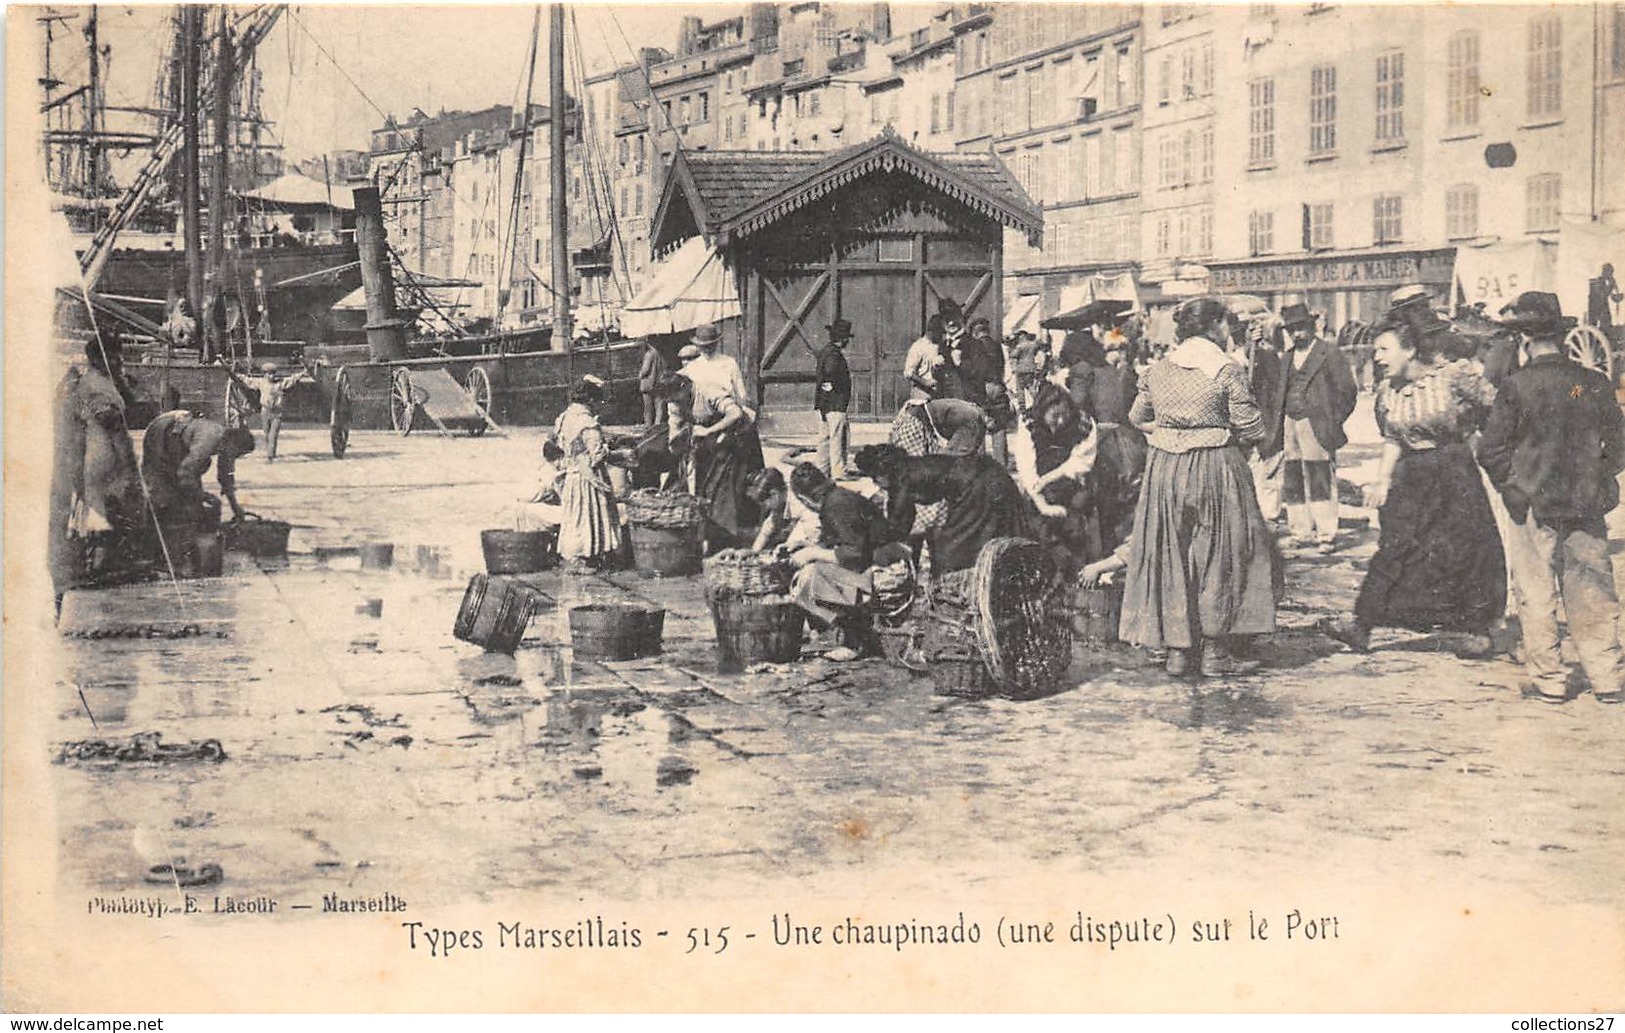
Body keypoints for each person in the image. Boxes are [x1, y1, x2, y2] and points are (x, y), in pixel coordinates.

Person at [1320, 313, 1505, 656]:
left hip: (1454, 471)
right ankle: (1361, 624)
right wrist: (1382, 479)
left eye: (1384, 349)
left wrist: (1487, 447)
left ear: (1410, 350)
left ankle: (1477, 631)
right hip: (1411, 474)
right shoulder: (1387, 392)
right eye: (1376, 350)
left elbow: (1498, 407)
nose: (1377, 357)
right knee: (1395, 546)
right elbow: (1392, 437)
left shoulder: (1453, 376)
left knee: (1466, 548)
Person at [1477, 292, 1625, 704]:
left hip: (1531, 505)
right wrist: (1594, 479)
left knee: (1536, 590)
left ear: (1524, 338)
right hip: (1585, 504)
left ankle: (1551, 680)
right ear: (1562, 336)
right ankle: (1607, 678)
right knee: (1593, 589)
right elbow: (1619, 444)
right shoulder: (1592, 383)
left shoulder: (1517, 386)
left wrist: (1513, 485)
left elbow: (1491, 450)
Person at [1120, 296, 1277, 678]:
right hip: (1216, 465)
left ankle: (1176, 651)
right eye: (1226, 324)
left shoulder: (1159, 368)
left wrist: (1173, 431)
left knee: (1170, 551)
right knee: (1220, 553)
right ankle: (1215, 652)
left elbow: (1137, 416)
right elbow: (1253, 429)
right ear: (1215, 326)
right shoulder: (1227, 369)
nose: (1230, 331)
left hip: (1164, 469)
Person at [49, 334, 144, 605]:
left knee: (99, 507)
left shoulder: (93, 382)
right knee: (106, 507)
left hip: (95, 453)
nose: (120, 361)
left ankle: (97, 561)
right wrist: (128, 465)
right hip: (104, 454)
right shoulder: (97, 386)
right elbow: (113, 426)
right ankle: (98, 565)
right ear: (102, 357)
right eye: (116, 356)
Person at [853, 443, 1034, 577]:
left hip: (979, 486)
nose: (876, 484)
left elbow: (897, 526)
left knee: (949, 550)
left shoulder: (901, 480)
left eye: (875, 478)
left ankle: (948, 592)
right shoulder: (907, 469)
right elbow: (905, 524)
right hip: (990, 475)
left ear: (884, 471)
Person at [786, 463, 908, 661]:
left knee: (808, 578)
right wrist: (803, 546)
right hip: (881, 564)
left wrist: (812, 553)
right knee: (812, 574)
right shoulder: (836, 499)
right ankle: (850, 632)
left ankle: (857, 640)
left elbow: (854, 554)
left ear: (804, 499)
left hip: (889, 574)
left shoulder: (837, 505)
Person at [1263, 303, 1359, 553]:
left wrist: (1331, 419)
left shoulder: (1330, 353)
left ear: (1312, 326)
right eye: (1291, 330)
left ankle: (1326, 534)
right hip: (1289, 423)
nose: (1297, 334)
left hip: (1316, 424)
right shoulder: (1287, 358)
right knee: (1293, 478)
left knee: (1320, 477)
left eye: (1301, 328)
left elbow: (1348, 391)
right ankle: (1301, 532)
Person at [140, 408, 255, 576]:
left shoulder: (226, 446)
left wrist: (235, 506)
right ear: (232, 443)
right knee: (163, 496)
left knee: (189, 499)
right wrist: (202, 496)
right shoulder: (210, 438)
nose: (234, 457)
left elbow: (226, 476)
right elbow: (185, 473)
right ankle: (155, 553)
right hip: (161, 432)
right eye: (237, 454)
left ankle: (184, 548)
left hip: (179, 444)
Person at [688, 360, 765, 551]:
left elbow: (738, 409)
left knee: (731, 484)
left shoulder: (728, 364)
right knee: (708, 485)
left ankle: (732, 535)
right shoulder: (689, 373)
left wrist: (709, 432)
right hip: (714, 434)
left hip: (737, 431)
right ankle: (713, 534)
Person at [552, 375, 622, 568]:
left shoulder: (564, 417)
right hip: (589, 477)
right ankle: (588, 555)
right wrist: (609, 448)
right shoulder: (587, 422)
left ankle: (575, 556)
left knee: (575, 516)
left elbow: (561, 446)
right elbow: (596, 454)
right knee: (590, 513)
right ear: (590, 400)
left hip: (572, 474)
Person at [231, 362, 312, 461]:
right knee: (267, 433)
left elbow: (292, 379)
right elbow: (248, 381)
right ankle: (270, 452)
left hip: (277, 413)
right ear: (265, 374)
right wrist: (236, 375)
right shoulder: (261, 383)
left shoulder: (280, 383)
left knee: (273, 434)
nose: (271, 376)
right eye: (269, 374)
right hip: (265, 411)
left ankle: (270, 456)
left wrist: (302, 373)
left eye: (273, 373)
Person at [960, 316, 1010, 464]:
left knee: (979, 427)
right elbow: (1003, 368)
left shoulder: (975, 346)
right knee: (999, 429)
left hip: (982, 389)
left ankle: (980, 465)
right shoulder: (997, 346)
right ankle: (1001, 465)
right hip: (998, 387)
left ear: (975, 332)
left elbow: (976, 371)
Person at [684, 323, 754, 421]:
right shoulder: (691, 368)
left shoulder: (729, 363)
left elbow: (741, 394)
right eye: (704, 346)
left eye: (710, 345)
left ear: (716, 344)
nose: (707, 349)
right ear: (698, 346)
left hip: (727, 416)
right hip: (702, 418)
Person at [815, 318, 854, 480]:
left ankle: (822, 470)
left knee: (824, 440)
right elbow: (831, 371)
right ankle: (839, 471)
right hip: (836, 403)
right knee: (838, 438)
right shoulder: (834, 354)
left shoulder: (825, 350)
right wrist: (834, 383)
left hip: (823, 404)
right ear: (843, 339)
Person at [903, 315, 947, 401]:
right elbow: (908, 373)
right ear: (932, 331)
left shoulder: (940, 346)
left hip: (939, 393)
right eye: (940, 333)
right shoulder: (918, 346)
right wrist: (925, 383)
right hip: (922, 394)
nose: (942, 336)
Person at [637, 339, 670, 428]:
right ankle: (657, 424)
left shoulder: (649, 354)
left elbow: (645, 370)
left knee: (648, 407)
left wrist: (640, 375)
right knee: (659, 405)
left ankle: (648, 425)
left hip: (648, 384)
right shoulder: (660, 353)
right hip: (658, 382)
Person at [1587, 263, 1621, 335]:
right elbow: (1601, 294)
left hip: (1604, 305)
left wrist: (1617, 296)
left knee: (1606, 323)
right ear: (1604, 271)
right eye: (1610, 272)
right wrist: (1611, 286)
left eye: (1612, 272)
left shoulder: (1609, 280)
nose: (1611, 274)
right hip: (1595, 306)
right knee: (1594, 324)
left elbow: (1613, 294)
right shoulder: (1596, 281)